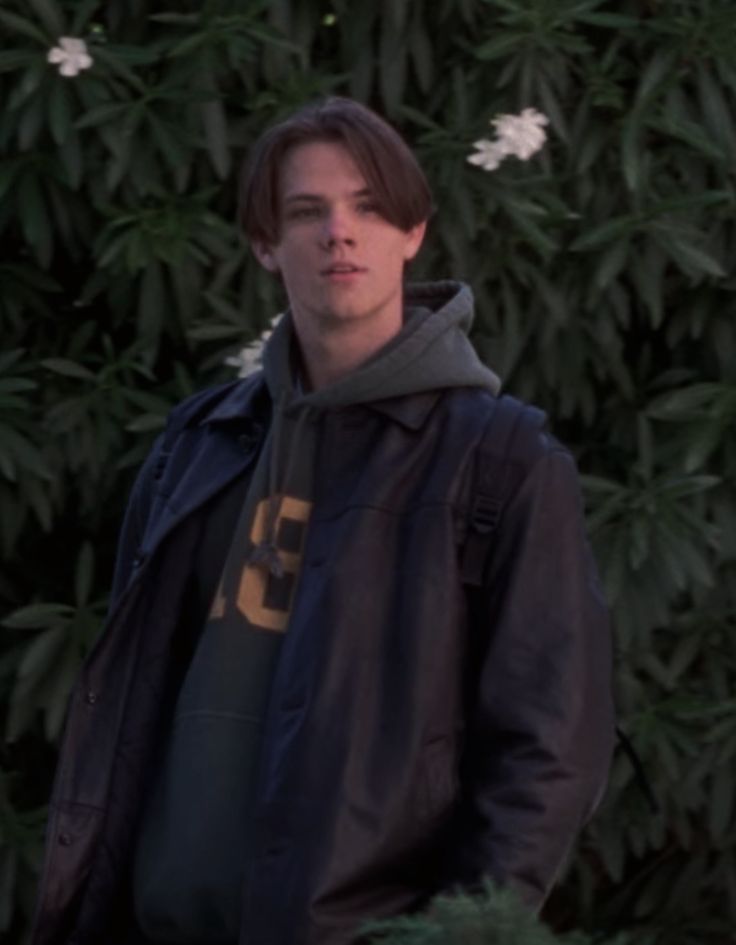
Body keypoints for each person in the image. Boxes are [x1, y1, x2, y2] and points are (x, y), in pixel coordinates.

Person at [30, 97, 614, 945]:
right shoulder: (200, 441)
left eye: (369, 207)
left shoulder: (499, 456)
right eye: (307, 211)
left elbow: (548, 749)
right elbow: (126, 703)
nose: (340, 232)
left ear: (413, 233)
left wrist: (456, 938)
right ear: (265, 243)